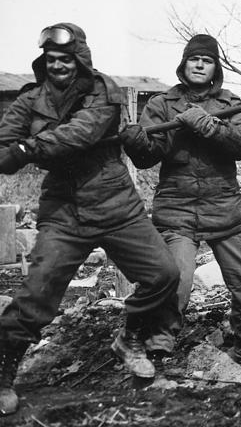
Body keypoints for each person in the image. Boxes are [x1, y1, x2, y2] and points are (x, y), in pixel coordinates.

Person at [0, 23, 179, 414]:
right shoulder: (30, 98)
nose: (58, 66)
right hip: (63, 211)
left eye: (65, 59)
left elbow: (81, 133)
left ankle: (130, 337)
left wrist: (28, 148)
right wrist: (9, 153)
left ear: (79, 59)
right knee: (36, 294)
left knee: (163, 273)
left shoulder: (102, 91)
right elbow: (5, 144)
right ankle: (4, 372)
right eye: (52, 59)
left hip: (114, 202)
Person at [119, 34, 241, 364]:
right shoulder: (162, 104)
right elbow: (147, 157)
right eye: (193, 59)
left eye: (206, 61)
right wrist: (136, 143)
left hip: (225, 211)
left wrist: (210, 127)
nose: (199, 65)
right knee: (174, 280)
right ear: (183, 65)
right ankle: (158, 346)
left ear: (215, 69)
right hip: (177, 211)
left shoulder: (230, 103)